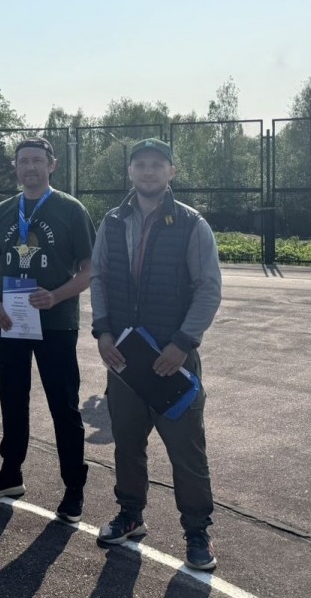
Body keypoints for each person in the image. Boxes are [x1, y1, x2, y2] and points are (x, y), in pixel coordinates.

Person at [90, 138, 223, 571]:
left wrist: (182, 343)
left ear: (171, 172)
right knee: (127, 444)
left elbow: (208, 289)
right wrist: (102, 331)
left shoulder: (191, 223)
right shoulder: (112, 221)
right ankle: (130, 515)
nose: (148, 171)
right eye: (141, 164)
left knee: (187, 452)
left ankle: (197, 533)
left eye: (157, 165)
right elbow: (99, 279)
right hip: (125, 361)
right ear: (130, 171)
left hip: (172, 359)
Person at [0, 137, 97, 524]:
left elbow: (90, 270)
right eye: (23, 161)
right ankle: (10, 474)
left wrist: (56, 296)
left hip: (56, 323)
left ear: (51, 165)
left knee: (63, 404)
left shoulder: (71, 210)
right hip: (10, 321)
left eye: (37, 161)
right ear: (15, 167)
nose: (30, 167)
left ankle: (73, 487)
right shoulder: (3, 211)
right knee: (12, 398)